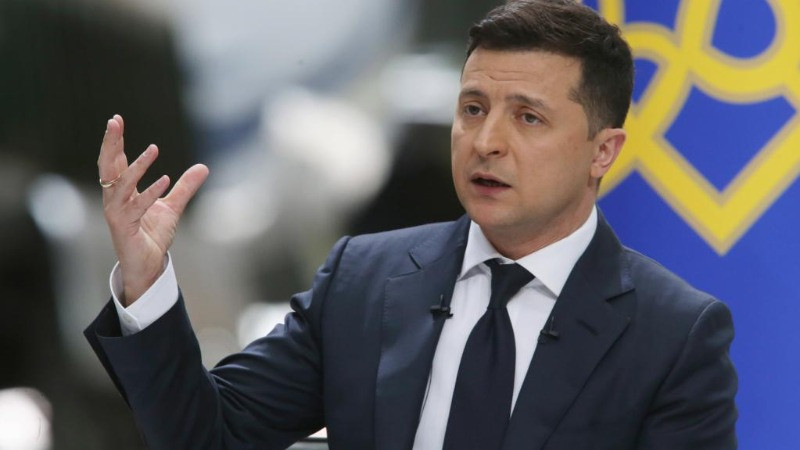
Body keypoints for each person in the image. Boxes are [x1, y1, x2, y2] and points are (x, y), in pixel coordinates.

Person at [85, 1, 738, 449]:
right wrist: (147, 281)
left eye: (528, 117)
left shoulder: (674, 335)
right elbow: (207, 435)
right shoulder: (363, 280)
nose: (486, 141)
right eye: (473, 108)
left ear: (603, 151)